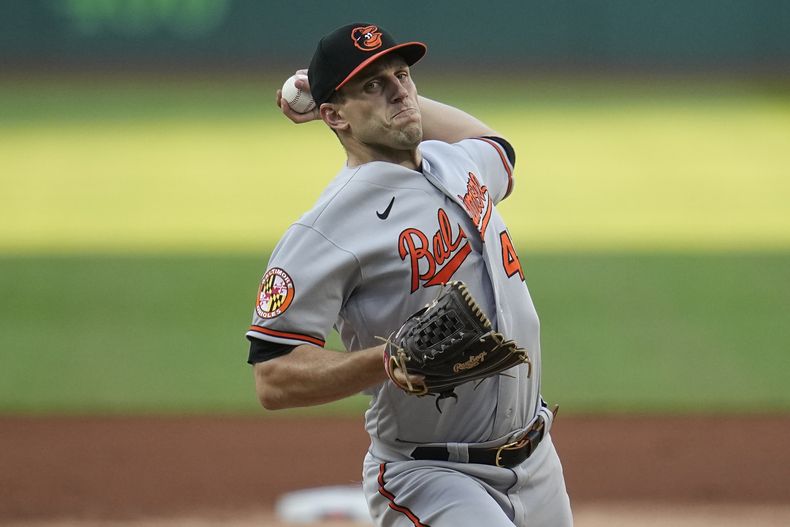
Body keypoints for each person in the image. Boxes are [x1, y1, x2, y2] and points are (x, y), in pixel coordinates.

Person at [246, 22, 573, 527]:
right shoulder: (326, 228)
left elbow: (497, 145)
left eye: (403, 76)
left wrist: (373, 95)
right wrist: (387, 359)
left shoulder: (458, 164)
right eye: (374, 86)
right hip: (431, 473)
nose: (400, 90)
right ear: (334, 116)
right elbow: (273, 376)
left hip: (537, 459)